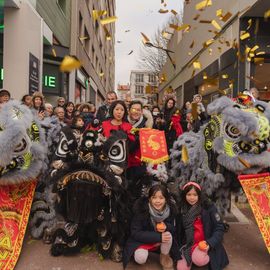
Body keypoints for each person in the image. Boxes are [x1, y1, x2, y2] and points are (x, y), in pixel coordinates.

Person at [123, 184, 180, 270]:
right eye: (154, 197)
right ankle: (145, 252)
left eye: (161, 198)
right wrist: (158, 237)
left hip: (159, 240)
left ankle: (164, 256)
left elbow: (173, 228)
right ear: (149, 199)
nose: (157, 201)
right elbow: (135, 233)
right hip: (142, 241)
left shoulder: (169, 211)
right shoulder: (141, 211)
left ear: (166, 200)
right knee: (140, 259)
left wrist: (167, 226)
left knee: (168, 235)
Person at [176, 182, 229, 270]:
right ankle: (191, 255)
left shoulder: (208, 208)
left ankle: (205, 257)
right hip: (188, 244)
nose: (192, 198)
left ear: (199, 195)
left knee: (199, 260)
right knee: (181, 268)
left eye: (195, 195)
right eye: (189, 194)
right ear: (184, 195)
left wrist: (209, 243)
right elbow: (178, 231)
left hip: (203, 243)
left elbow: (219, 227)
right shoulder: (181, 209)